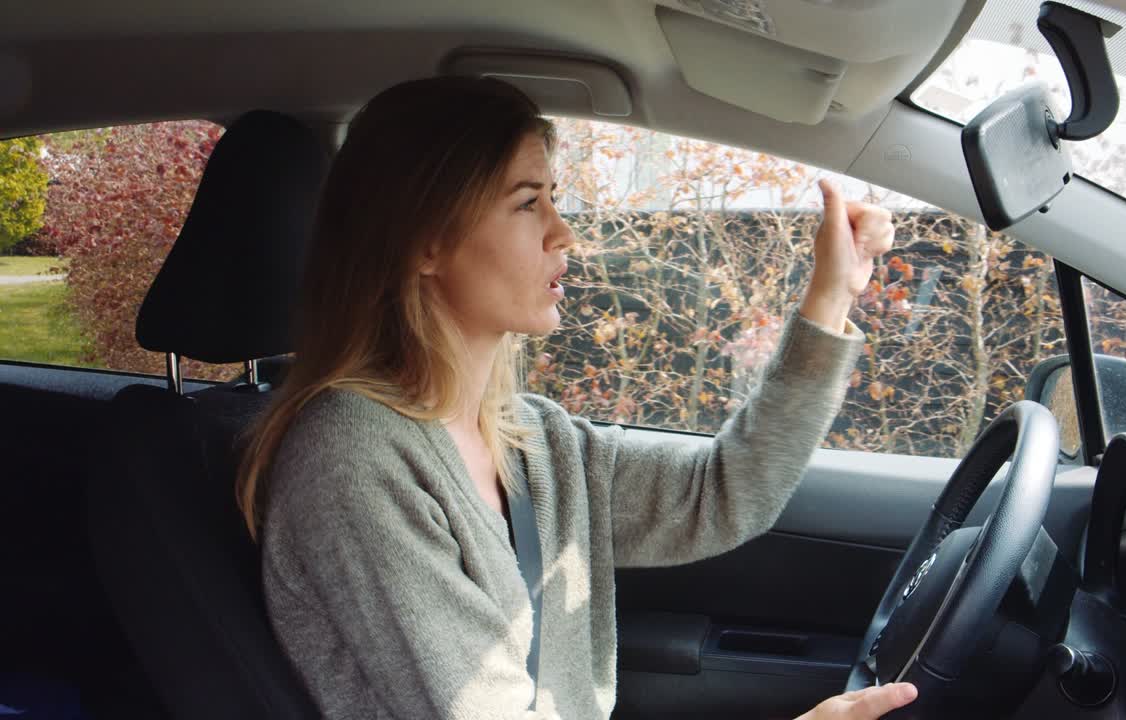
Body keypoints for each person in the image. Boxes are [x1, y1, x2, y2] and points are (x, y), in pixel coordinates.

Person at [235, 75, 916, 720]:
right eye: (529, 202)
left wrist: (831, 294)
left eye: (554, 198)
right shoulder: (352, 464)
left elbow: (724, 491)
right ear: (425, 241)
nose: (565, 233)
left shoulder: (533, 437)